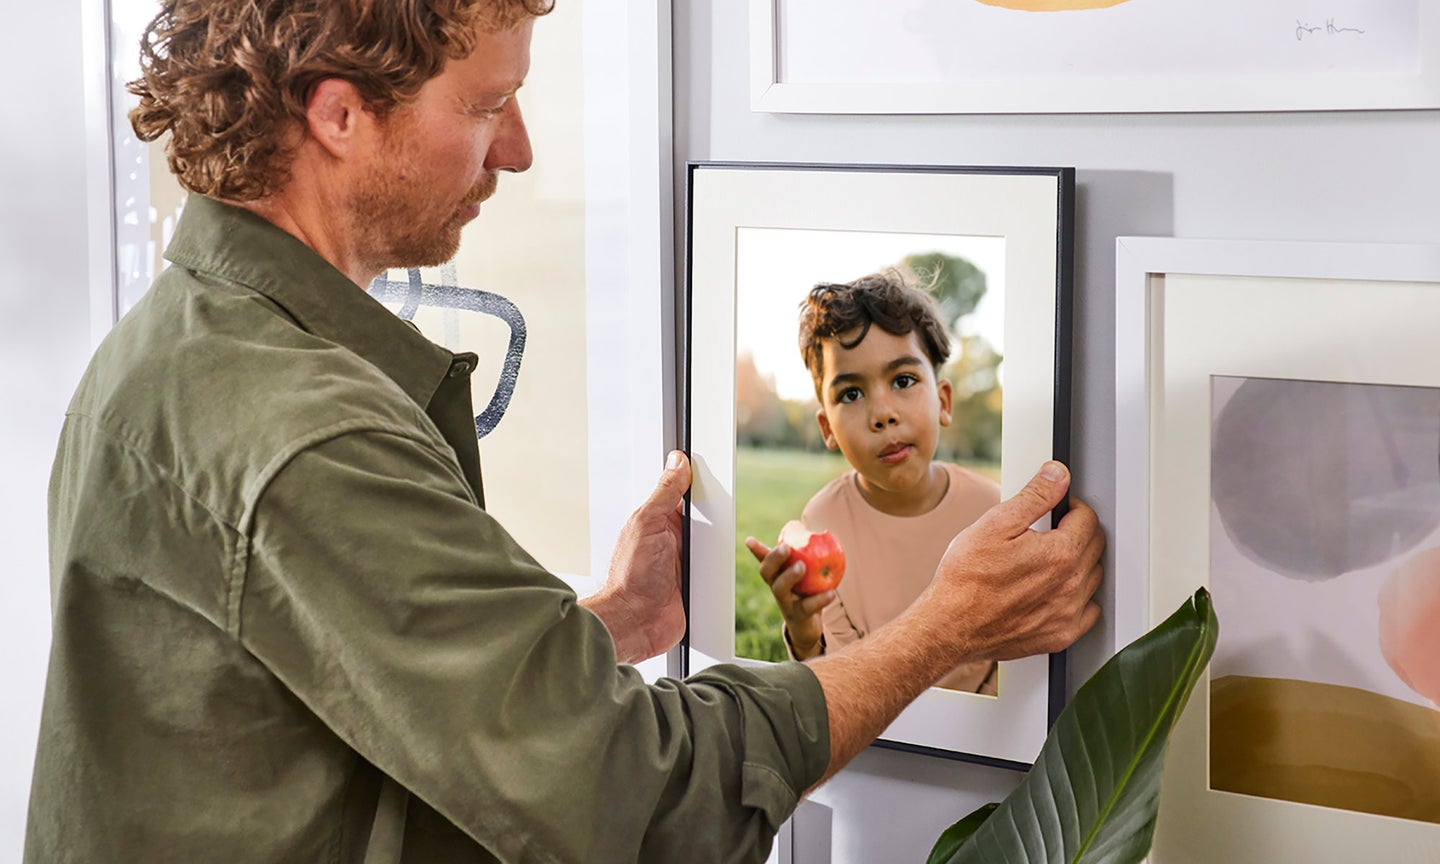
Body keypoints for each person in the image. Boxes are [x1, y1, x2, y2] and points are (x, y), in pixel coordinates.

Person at [24, 1, 1105, 862]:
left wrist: (601, 627)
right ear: (339, 114)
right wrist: (942, 629)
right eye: (491, 106)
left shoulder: (179, 344)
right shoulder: (305, 432)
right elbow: (639, 800)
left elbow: (308, 708)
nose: (523, 151)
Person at [753, 271, 1000, 694]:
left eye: (903, 381)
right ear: (826, 427)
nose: (882, 413)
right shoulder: (824, 518)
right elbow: (840, 680)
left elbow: (1006, 662)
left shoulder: (991, 510)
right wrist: (805, 634)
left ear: (942, 401)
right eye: (851, 394)